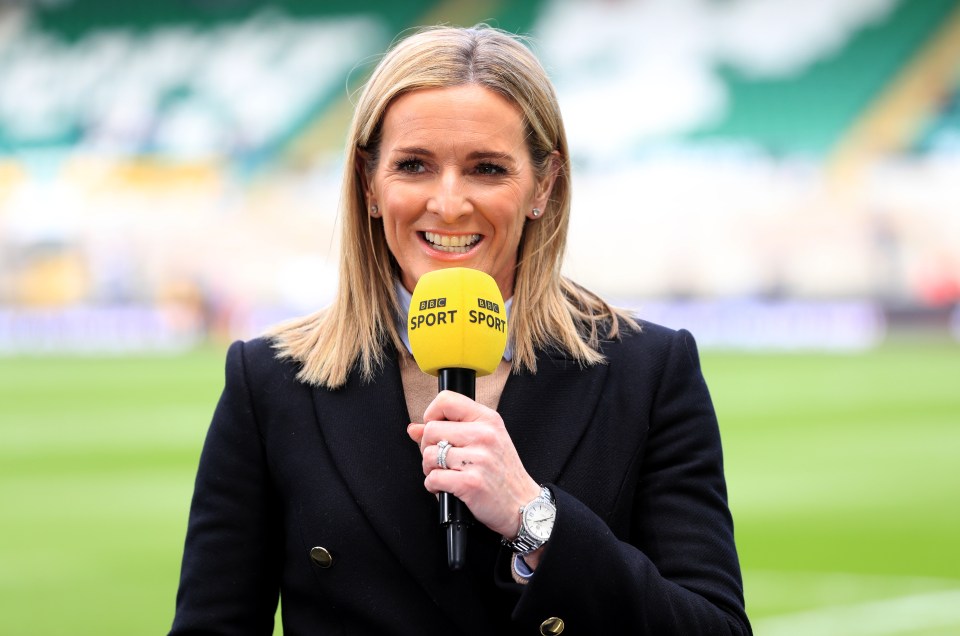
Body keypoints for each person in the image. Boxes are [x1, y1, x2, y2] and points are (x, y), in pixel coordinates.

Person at [169, 24, 751, 635]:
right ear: (370, 184)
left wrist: (536, 520)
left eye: (487, 169)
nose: (448, 204)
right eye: (414, 165)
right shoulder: (270, 382)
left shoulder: (649, 371)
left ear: (543, 185)